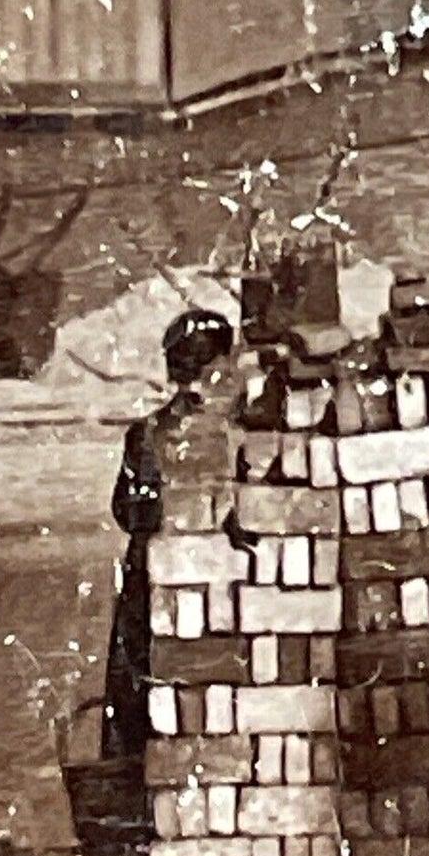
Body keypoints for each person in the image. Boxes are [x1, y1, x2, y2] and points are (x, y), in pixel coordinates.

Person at [101, 309, 237, 761]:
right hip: (219, 582)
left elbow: (129, 510)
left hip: (154, 579)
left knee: (138, 689)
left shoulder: (148, 433)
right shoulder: (236, 432)